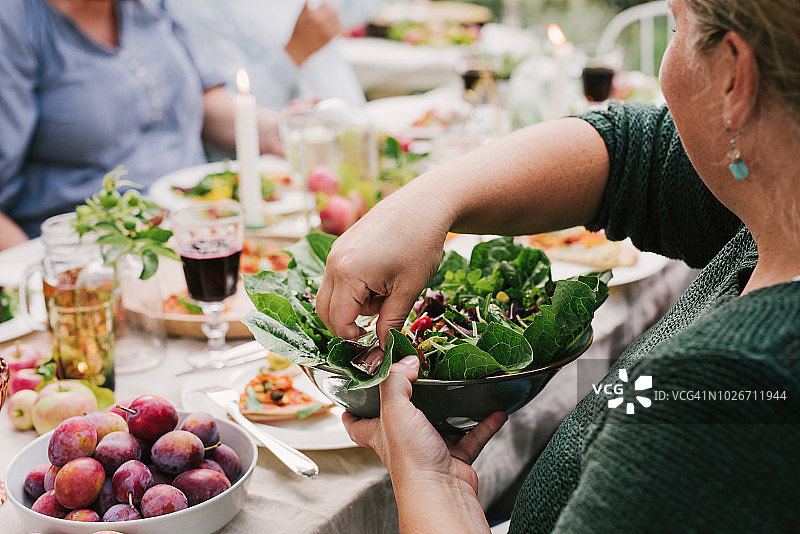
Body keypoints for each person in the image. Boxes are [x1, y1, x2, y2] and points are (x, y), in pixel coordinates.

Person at [316, 0, 800, 531]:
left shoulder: (722, 395)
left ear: (734, 76)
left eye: (676, 26)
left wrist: (428, 483)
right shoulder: (774, 193)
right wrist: (428, 201)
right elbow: (632, 151)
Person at [0, 0, 283, 243]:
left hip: (206, 229)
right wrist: (38, 279)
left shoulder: (150, 5)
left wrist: (281, 132)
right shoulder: (15, 23)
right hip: (98, 256)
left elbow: (204, 100)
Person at [166, 0, 366, 113]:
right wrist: (294, 53)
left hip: (352, 129)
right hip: (282, 160)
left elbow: (349, 11)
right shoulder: (196, 6)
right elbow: (226, 109)